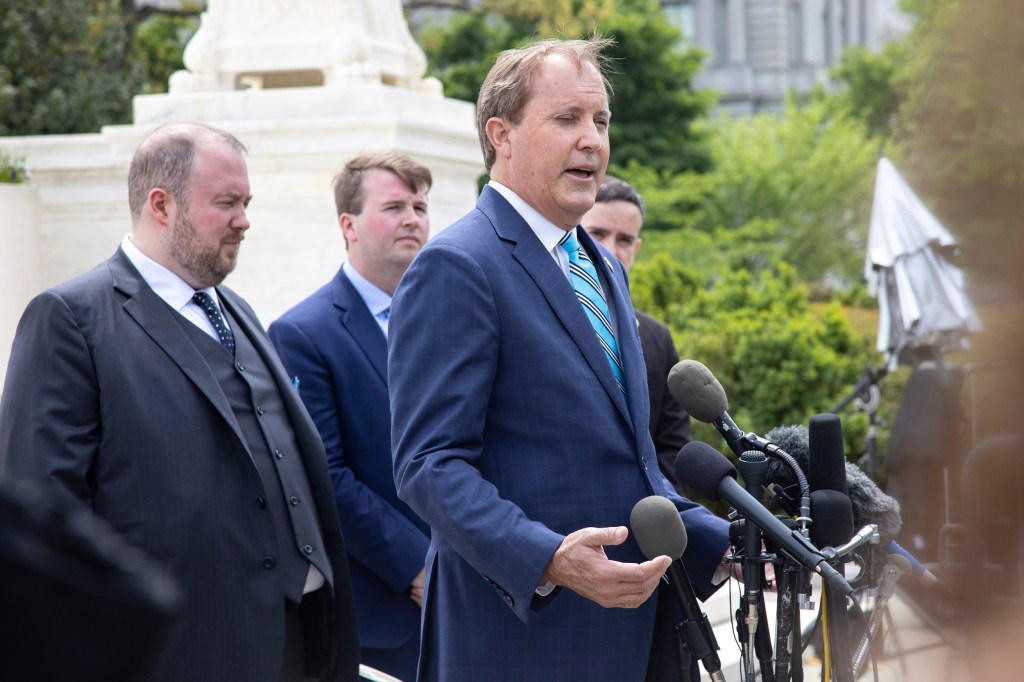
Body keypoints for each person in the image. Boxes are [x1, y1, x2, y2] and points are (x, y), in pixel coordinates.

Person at [388, 37, 730, 681]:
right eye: (567, 119)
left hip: (633, 639)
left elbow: (627, 462)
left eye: (600, 121)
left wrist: (728, 544)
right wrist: (547, 559)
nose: (593, 141)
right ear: (502, 134)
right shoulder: (457, 266)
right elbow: (428, 466)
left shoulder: (601, 264)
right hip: (521, 646)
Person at [0, 122, 360, 682]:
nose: (244, 220)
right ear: (161, 205)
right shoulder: (71, 318)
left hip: (297, 642)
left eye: (247, 202)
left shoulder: (235, 307)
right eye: (227, 203)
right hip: (181, 654)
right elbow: (44, 510)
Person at [268, 152, 432, 681]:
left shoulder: (450, 319)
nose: (412, 218)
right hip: (384, 610)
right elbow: (325, 475)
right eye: (394, 206)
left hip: (478, 596)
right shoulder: (303, 333)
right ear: (349, 224)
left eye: (420, 205)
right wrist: (417, 566)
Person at [581, 176, 692, 494]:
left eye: (625, 240)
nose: (610, 250)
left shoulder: (657, 337)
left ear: (637, 247)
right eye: (597, 234)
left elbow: (674, 450)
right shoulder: (539, 318)